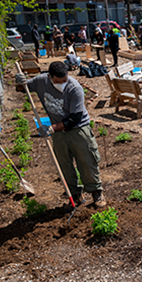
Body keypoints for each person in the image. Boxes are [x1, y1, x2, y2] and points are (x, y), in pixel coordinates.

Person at [28, 61, 104, 207]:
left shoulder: (74, 88)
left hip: (78, 129)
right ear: (50, 77)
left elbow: (74, 119)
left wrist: (50, 129)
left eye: (65, 80)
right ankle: (75, 196)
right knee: (64, 165)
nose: (62, 83)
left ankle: (96, 192)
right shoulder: (41, 81)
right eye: (58, 81)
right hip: (59, 134)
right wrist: (20, 82)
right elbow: (23, 87)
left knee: (87, 161)